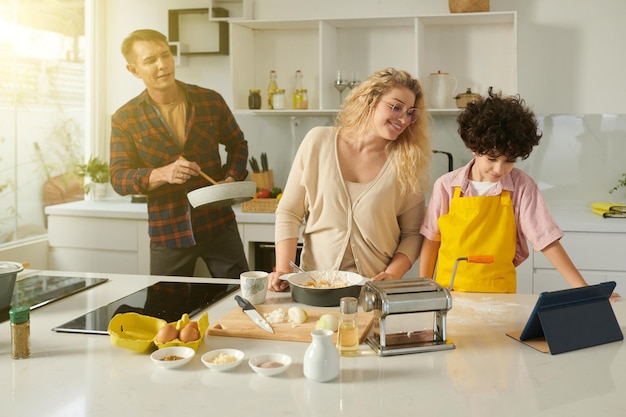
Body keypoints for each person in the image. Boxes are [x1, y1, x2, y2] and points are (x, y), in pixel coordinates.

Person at [419, 88, 616, 296]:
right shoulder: (447, 186)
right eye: (492, 159)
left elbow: (546, 239)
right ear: (474, 148)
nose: (499, 169)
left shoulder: (521, 186)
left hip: (500, 295)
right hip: (450, 294)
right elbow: (432, 240)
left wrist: (584, 290)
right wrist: (424, 290)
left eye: (509, 161)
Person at [269, 68, 432, 292]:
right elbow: (289, 211)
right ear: (370, 100)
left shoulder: (408, 162)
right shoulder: (318, 141)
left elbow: (412, 234)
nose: (404, 119)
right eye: (396, 107)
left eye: (411, 112)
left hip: (373, 290)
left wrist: (393, 273)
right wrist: (283, 269)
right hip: (314, 285)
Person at [110, 29, 249, 278]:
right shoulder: (125, 118)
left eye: (165, 55)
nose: (162, 65)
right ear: (133, 70)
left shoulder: (210, 101)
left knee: (239, 300)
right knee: (166, 310)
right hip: (167, 233)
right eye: (150, 60)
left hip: (218, 225)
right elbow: (119, 178)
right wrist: (162, 174)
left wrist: (231, 179)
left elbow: (238, 144)